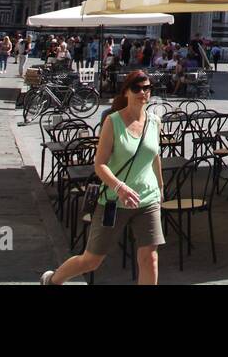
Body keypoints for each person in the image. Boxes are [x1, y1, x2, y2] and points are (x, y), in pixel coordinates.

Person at [41, 71, 164, 285]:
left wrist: (160, 188)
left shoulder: (155, 122)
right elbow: (99, 164)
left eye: (147, 88)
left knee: (150, 258)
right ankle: (53, 280)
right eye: (137, 88)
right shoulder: (113, 121)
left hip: (148, 198)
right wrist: (120, 188)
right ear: (126, 91)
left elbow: (155, 157)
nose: (143, 93)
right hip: (114, 201)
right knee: (92, 260)